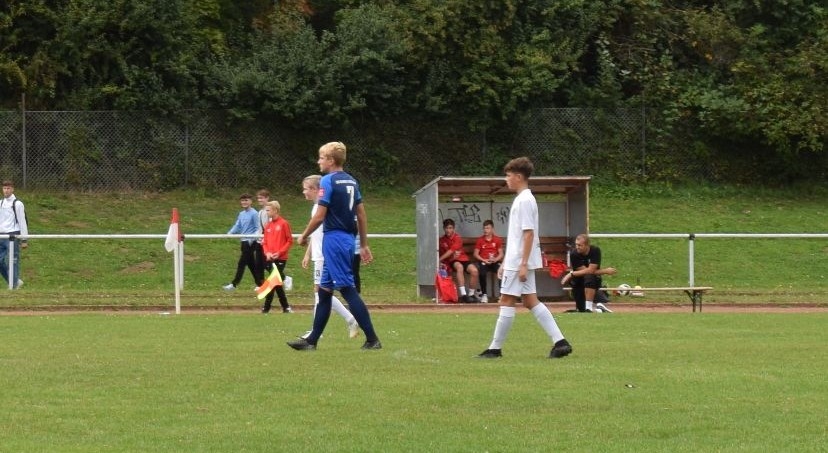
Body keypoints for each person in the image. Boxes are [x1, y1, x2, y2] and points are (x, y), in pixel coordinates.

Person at [288, 141, 382, 351]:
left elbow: (320, 216)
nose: (318, 161)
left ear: (331, 160)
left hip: (334, 239)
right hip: (347, 238)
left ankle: (372, 339)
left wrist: (303, 236)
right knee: (324, 292)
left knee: (347, 289)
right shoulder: (352, 181)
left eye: (321, 157)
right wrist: (363, 244)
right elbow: (361, 215)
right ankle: (312, 341)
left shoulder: (327, 181)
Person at [478, 157, 572, 359]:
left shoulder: (525, 201)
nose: (506, 179)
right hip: (516, 260)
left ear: (519, 177)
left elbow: (528, 234)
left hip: (519, 261)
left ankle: (495, 349)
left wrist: (521, 264)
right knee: (530, 301)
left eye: (508, 175)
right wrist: (505, 262)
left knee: (506, 300)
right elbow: (517, 237)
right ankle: (560, 342)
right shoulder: (523, 199)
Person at [299, 175, 359, 338]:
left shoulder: (321, 208)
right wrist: (308, 254)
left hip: (324, 255)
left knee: (320, 293)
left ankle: (317, 332)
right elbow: (317, 234)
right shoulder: (317, 207)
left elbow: (325, 232)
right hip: (320, 254)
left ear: (314, 189)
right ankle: (350, 319)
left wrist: (311, 246)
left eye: (305, 189)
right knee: (322, 293)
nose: (304, 192)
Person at [560, 234, 617, 313]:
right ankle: (600, 309)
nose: (577, 247)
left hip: (593, 281)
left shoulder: (595, 250)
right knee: (581, 310)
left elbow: (590, 271)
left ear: (587, 245)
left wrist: (572, 274)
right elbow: (586, 271)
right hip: (579, 281)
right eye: (576, 244)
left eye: (580, 245)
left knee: (589, 277)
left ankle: (589, 308)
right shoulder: (574, 254)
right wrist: (605, 271)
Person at [223, 193, 262, 291]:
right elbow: (238, 225)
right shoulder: (241, 214)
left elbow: (258, 228)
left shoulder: (254, 213)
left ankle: (234, 284)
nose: (244, 202)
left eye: (246, 200)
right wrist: (229, 233)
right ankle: (260, 284)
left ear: (251, 201)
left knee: (242, 263)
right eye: (243, 200)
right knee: (251, 264)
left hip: (251, 242)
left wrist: (251, 240)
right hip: (243, 241)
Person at [260, 200, 293, 314]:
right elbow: (265, 242)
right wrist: (267, 253)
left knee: (273, 281)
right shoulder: (268, 226)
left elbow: (289, 241)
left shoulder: (283, 223)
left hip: (280, 258)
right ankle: (286, 307)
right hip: (270, 258)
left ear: (275, 210)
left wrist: (279, 252)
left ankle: (266, 308)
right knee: (276, 282)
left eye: (268, 210)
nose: (266, 212)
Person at [438, 218, 480, 303]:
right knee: (459, 267)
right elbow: (447, 255)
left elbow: (451, 251)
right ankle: (463, 295)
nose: (448, 230)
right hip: (452, 261)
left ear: (453, 228)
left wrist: (439, 259)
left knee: (474, 271)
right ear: (444, 228)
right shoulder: (442, 240)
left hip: (463, 259)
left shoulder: (457, 238)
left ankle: (471, 295)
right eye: (447, 228)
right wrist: (442, 260)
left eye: (450, 228)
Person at [0, 180, 28, 289]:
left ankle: (13, 285)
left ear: (12, 189)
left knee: (13, 261)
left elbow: (22, 221)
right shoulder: (1, 203)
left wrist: (24, 239)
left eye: (8, 188)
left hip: (13, 236)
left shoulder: (18, 204)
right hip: (1, 235)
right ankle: (14, 281)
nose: (6, 190)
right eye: (4, 188)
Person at [473, 220, 504, 304]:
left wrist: (495, 259)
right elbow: (475, 254)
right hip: (484, 261)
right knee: (482, 272)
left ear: (492, 229)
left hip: (494, 261)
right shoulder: (480, 240)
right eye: (484, 228)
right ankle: (484, 294)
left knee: (501, 271)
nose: (485, 230)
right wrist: (484, 260)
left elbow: (501, 254)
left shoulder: (497, 239)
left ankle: (502, 295)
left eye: (487, 228)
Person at [253, 189, 271, 287]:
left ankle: (284, 278)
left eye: (262, 198)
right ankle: (261, 285)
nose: (259, 200)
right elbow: (260, 227)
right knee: (258, 264)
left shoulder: (269, 211)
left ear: (267, 198)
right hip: (260, 241)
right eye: (258, 198)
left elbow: (270, 226)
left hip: (267, 242)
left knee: (267, 264)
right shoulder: (260, 212)